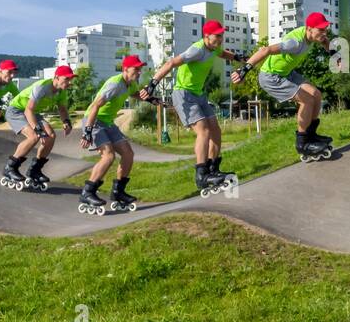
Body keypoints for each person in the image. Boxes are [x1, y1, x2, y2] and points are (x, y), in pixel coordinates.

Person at [144, 19, 245, 196]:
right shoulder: (197, 49)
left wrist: (237, 58)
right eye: (218, 35)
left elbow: (223, 54)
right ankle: (201, 175)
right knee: (203, 131)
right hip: (183, 94)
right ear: (206, 36)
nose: (221, 39)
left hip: (199, 95)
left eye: (222, 35)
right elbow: (171, 63)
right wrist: (151, 85)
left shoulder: (213, 48)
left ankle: (213, 168)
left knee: (216, 130)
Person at [232, 11, 335, 162]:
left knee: (316, 95)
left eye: (325, 29)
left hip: (287, 72)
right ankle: (302, 144)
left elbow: (325, 41)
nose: (324, 33)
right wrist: (244, 70)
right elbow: (265, 50)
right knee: (306, 100)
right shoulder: (295, 42)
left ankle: (311, 135)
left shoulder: (314, 35)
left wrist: (334, 55)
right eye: (321, 30)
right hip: (271, 77)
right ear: (309, 28)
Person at [78, 55, 147, 213]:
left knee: (128, 154)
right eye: (136, 69)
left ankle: (118, 192)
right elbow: (95, 106)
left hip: (108, 122)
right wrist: (87, 132)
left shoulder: (130, 83)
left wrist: (151, 98)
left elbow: (135, 94)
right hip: (94, 121)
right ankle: (87, 192)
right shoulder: (115, 84)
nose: (139, 72)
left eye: (140, 69)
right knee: (108, 156)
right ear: (125, 70)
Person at [0, 65, 75, 191]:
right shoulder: (42, 87)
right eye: (66, 79)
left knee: (51, 136)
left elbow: (62, 108)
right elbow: (28, 109)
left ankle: (35, 170)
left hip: (32, 112)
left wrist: (66, 121)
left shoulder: (62, 91)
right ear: (56, 77)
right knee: (34, 136)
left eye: (70, 79)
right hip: (17, 110)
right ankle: (10, 168)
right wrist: (38, 129)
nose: (69, 82)